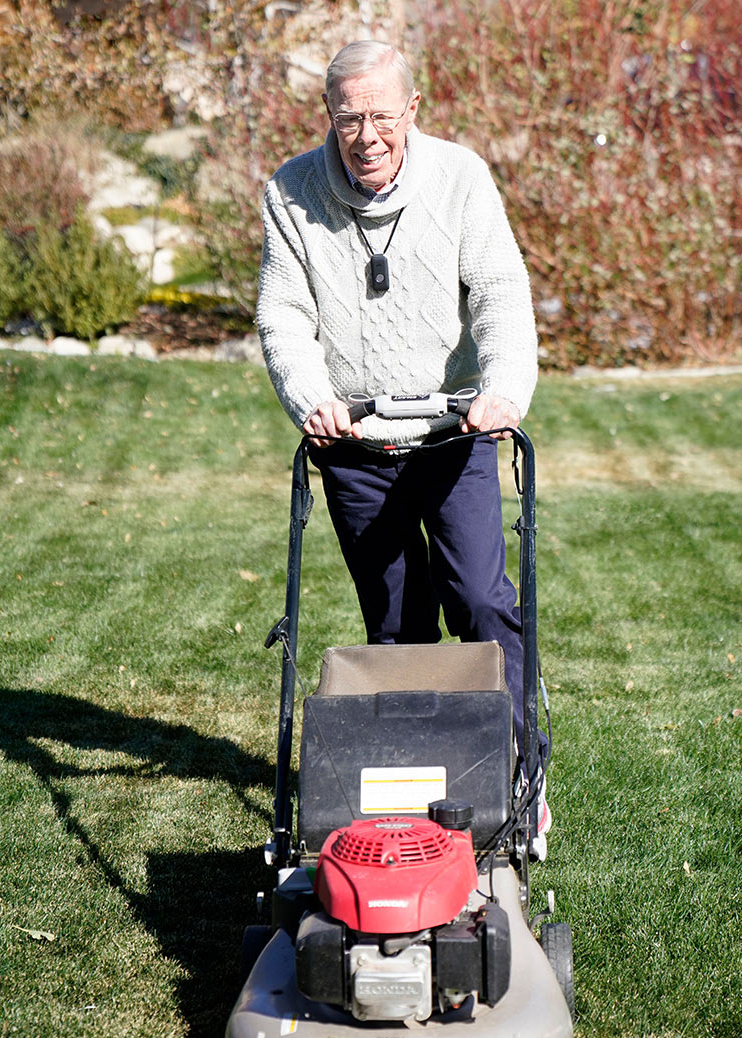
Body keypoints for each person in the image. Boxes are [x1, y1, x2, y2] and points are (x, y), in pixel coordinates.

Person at [256, 40, 550, 852]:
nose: (368, 134)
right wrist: (311, 398)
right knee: (396, 624)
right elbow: (283, 316)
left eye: (383, 114)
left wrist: (503, 391)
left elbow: (499, 295)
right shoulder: (291, 192)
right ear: (329, 117)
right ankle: (426, 785)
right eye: (349, 117)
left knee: (482, 602)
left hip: (455, 433)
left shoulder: (461, 179)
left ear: (412, 110)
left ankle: (521, 774)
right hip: (354, 443)